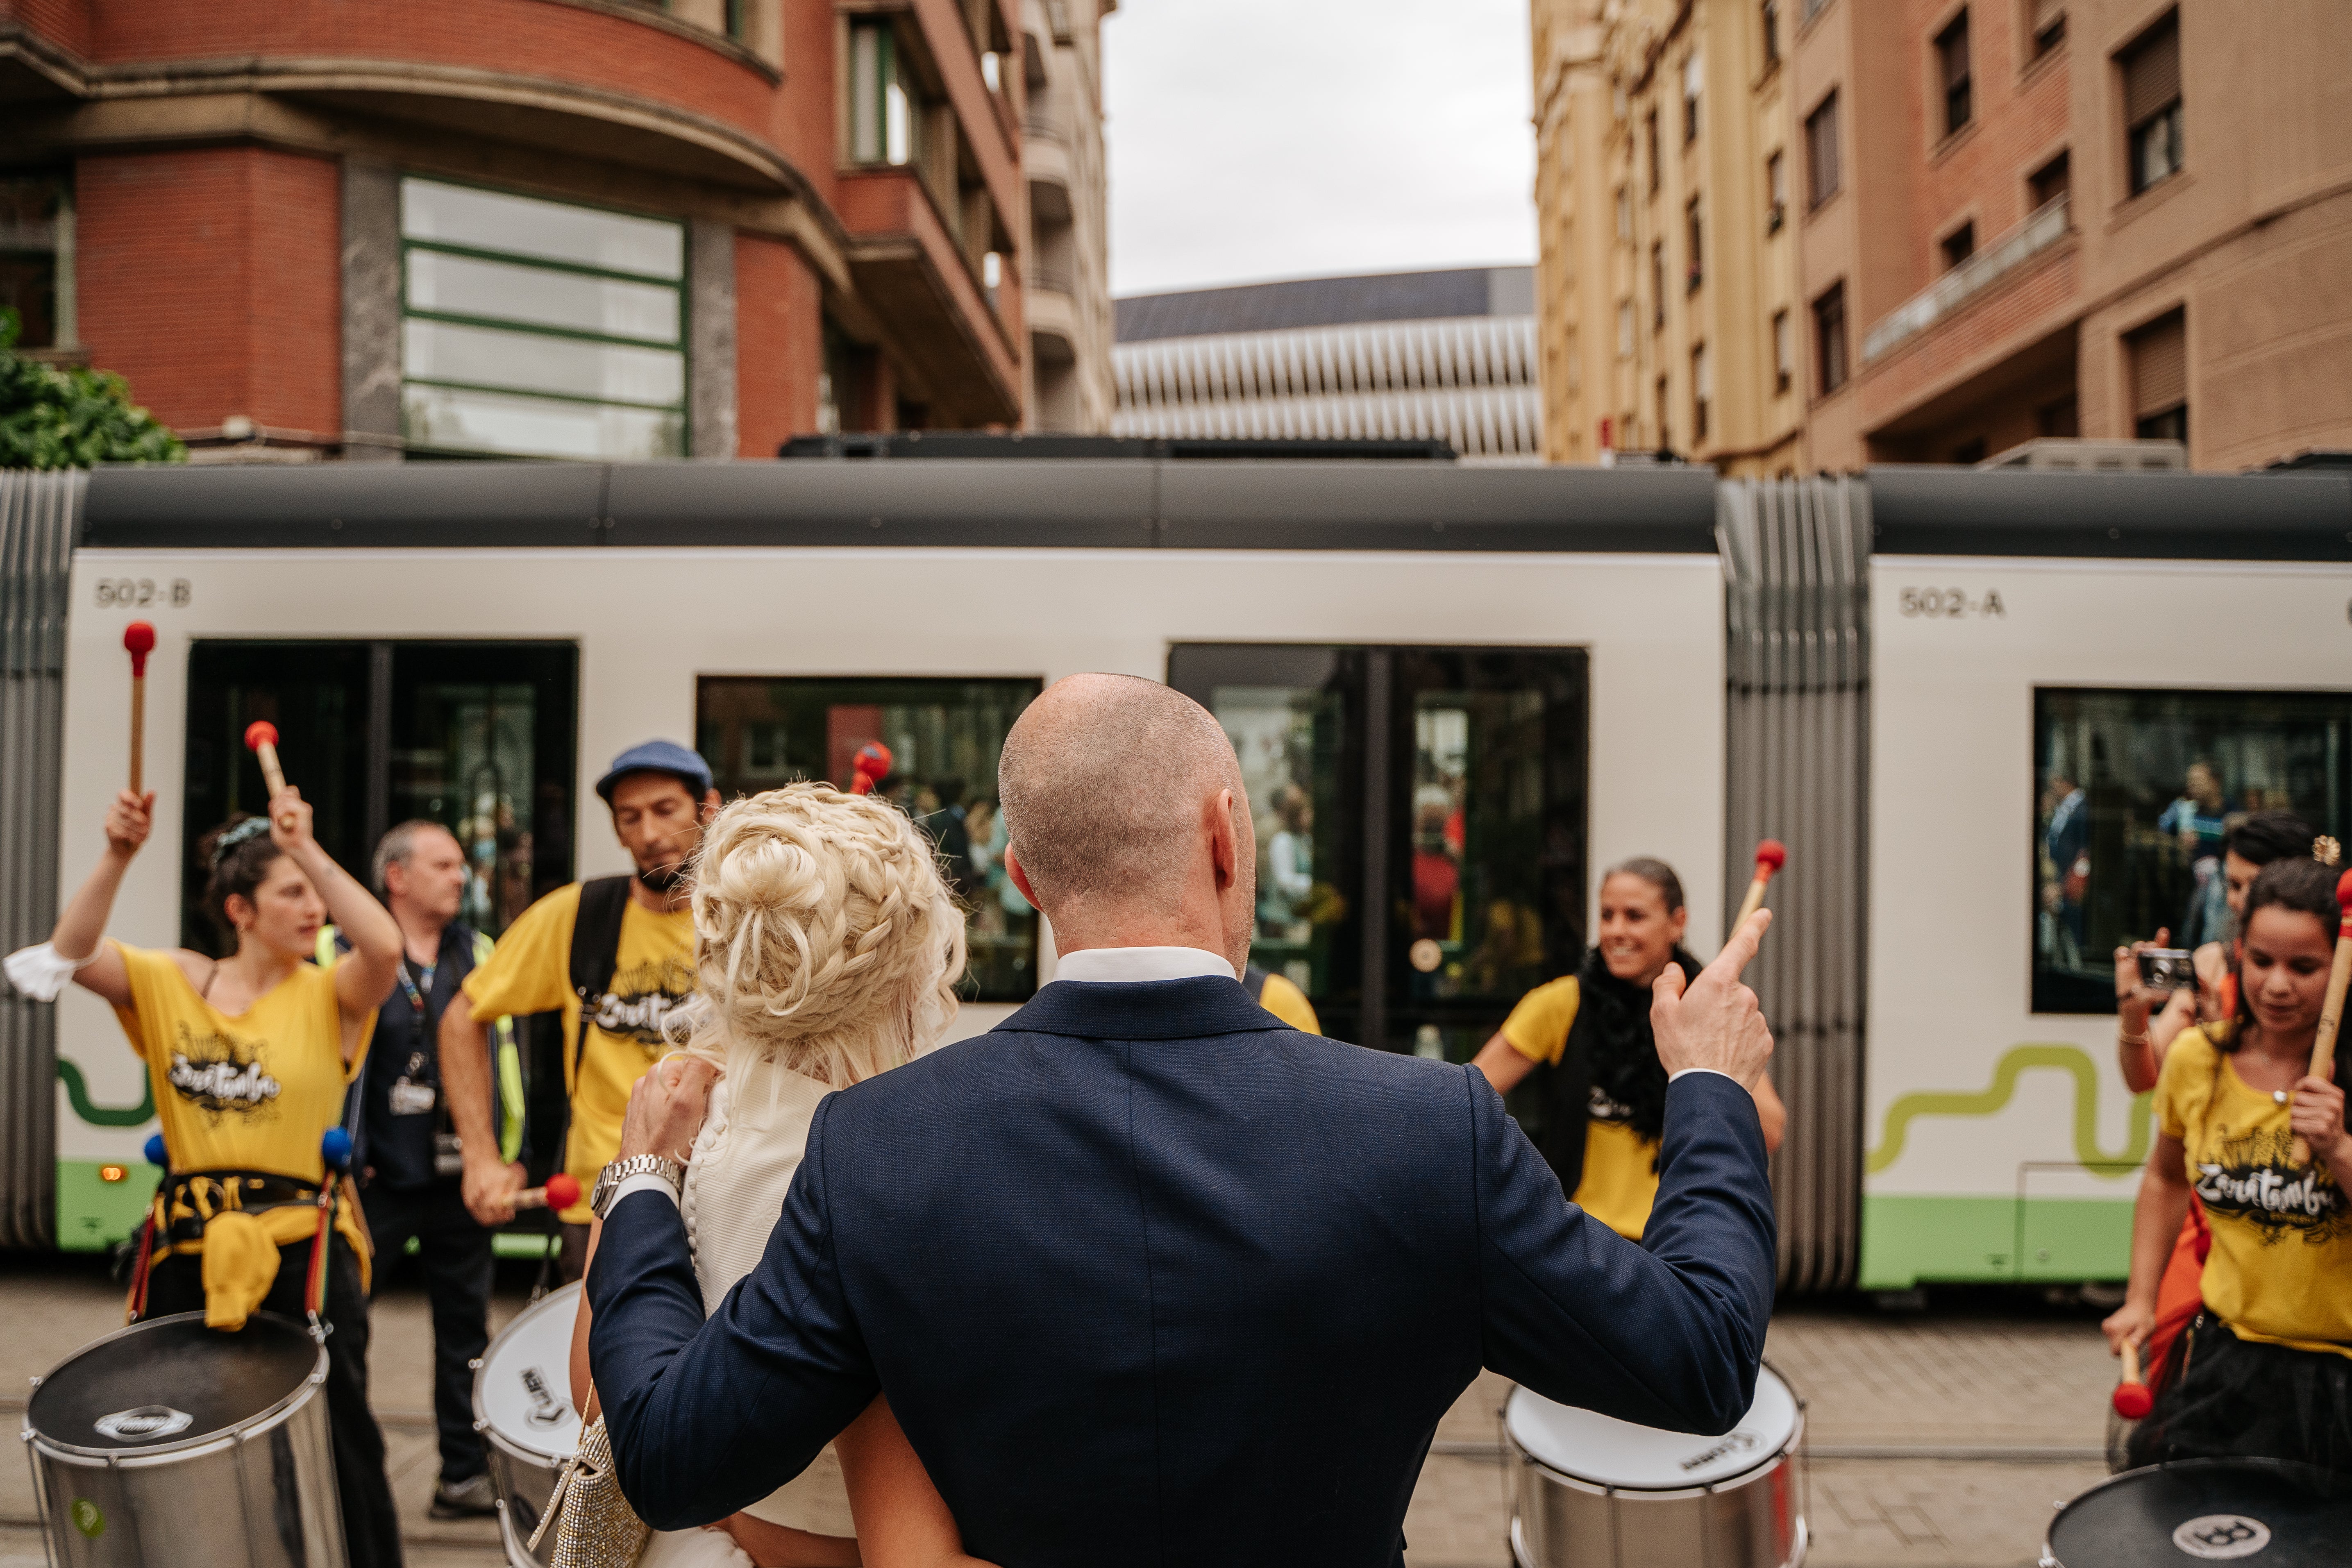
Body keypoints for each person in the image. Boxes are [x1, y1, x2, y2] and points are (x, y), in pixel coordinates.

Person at [586, 674, 1778, 1565]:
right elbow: (1701, 1358)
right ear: (1222, 835)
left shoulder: (880, 1147)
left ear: (1021, 881)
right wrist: (1709, 1088)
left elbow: (669, 1454)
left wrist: (645, 1176)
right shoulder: (1428, 1131)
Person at [565, 785, 984, 1568]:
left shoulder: (681, 1113)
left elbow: (596, 1388)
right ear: (912, 963)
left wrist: (633, 1171)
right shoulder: (893, 1163)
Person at [12, 786, 407, 1568]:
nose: (313, 909)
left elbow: (386, 946)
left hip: (304, 1251)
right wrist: (119, 854)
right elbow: (73, 951)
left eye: (313, 893)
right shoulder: (175, 982)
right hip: (186, 1246)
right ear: (240, 909)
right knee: (172, 1424)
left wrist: (308, 850)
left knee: (338, 1432)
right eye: (291, 893)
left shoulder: (333, 995)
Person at [2102, 856, 2352, 1474]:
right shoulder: (2199, 1059)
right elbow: (2165, 1176)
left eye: (2304, 966)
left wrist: (2340, 1148)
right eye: (2261, 960)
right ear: (2239, 952)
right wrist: (2141, 1298)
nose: (2276, 985)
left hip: (2341, 1372)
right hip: (2227, 1357)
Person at [440, 740, 720, 1278]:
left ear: (707, 809)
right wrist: (479, 1155)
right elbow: (461, 1017)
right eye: (629, 817)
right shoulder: (579, 913)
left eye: (666, 810)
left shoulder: (742, 919)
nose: (649, 834)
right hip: (599, 1202)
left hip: (720, 1192)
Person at [1470, 858, 1788, 1239]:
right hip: (1578, 1238)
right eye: (1608, 915)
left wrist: (1709, 1050)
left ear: (1677, 922)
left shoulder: (1706, 1012)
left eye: (1635, 916)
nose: (1616, 931)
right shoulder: (1561, 1004)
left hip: (1672, 1240)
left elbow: (1770, 1132)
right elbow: (1466, 1103)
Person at [353, 819, 518, 1520]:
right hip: (372, 1180)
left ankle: (462, 1475)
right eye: (444, 864)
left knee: (467, 1335)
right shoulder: (346, 951)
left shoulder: (478, 950)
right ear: (398, 877)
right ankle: (343, 1473)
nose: (461, 875)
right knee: (340, 1325)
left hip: (457, 1176)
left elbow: (504, 1060)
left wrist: (505, 1151)